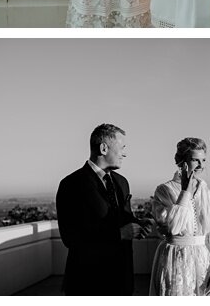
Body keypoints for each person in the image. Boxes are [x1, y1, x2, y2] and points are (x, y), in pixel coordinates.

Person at [56, 124, 138, 295]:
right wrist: (119, 234)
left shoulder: (122, 183)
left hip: (122, 280)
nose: (125, 153)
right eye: (122, 148)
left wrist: (138, 224)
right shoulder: (71, 184)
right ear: (103, 148)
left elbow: (122, 219)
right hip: (88, 282)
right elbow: (70, 238)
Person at [149, 138, 210, 295]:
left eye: (203, 160)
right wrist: (185, 193)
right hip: (175, 261)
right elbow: (173, 227)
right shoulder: (164, 191)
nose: (201, 165)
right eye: (195, 160)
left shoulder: (209, 193)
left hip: (204, 261)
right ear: (182, 161)